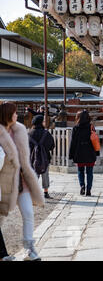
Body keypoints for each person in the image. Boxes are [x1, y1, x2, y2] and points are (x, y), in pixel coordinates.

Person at [0, 102, 45, 261]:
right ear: (7, 115)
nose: (17, 115)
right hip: (4, 183)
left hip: (21, 181)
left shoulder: (19, 130)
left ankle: (29, 251)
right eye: (14, 113)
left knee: (28, 214)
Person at [69, 110, 99, 196]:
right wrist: (96, 153)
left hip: (79, 153)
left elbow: (73, 143)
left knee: (80, 170)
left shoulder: (75, 128)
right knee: (90, 172)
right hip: (90, 152)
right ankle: (89, 189)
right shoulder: (91, 127)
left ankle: (82, 186)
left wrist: (71, 155)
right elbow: (95, 140)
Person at [28, 115, 55, 199]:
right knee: (45, 174)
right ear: (41, 122)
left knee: (33, 175)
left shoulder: (29, 133)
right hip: (45, 157)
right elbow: (52, 146)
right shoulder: (46, 133)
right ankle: (46, 192)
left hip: (32, 158)